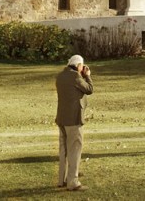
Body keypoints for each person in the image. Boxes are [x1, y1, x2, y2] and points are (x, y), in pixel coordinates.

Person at [55, 54, 94, 191]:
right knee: (75, 149)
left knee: (64, 149)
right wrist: (87, 75)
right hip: (74, 118)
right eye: (82, 66)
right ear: (78, 66)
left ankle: (63, 179)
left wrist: (81, 75)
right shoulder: (76, 77)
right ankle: (73, 181)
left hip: (61, 117)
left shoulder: (60, 76)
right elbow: (89, 89)